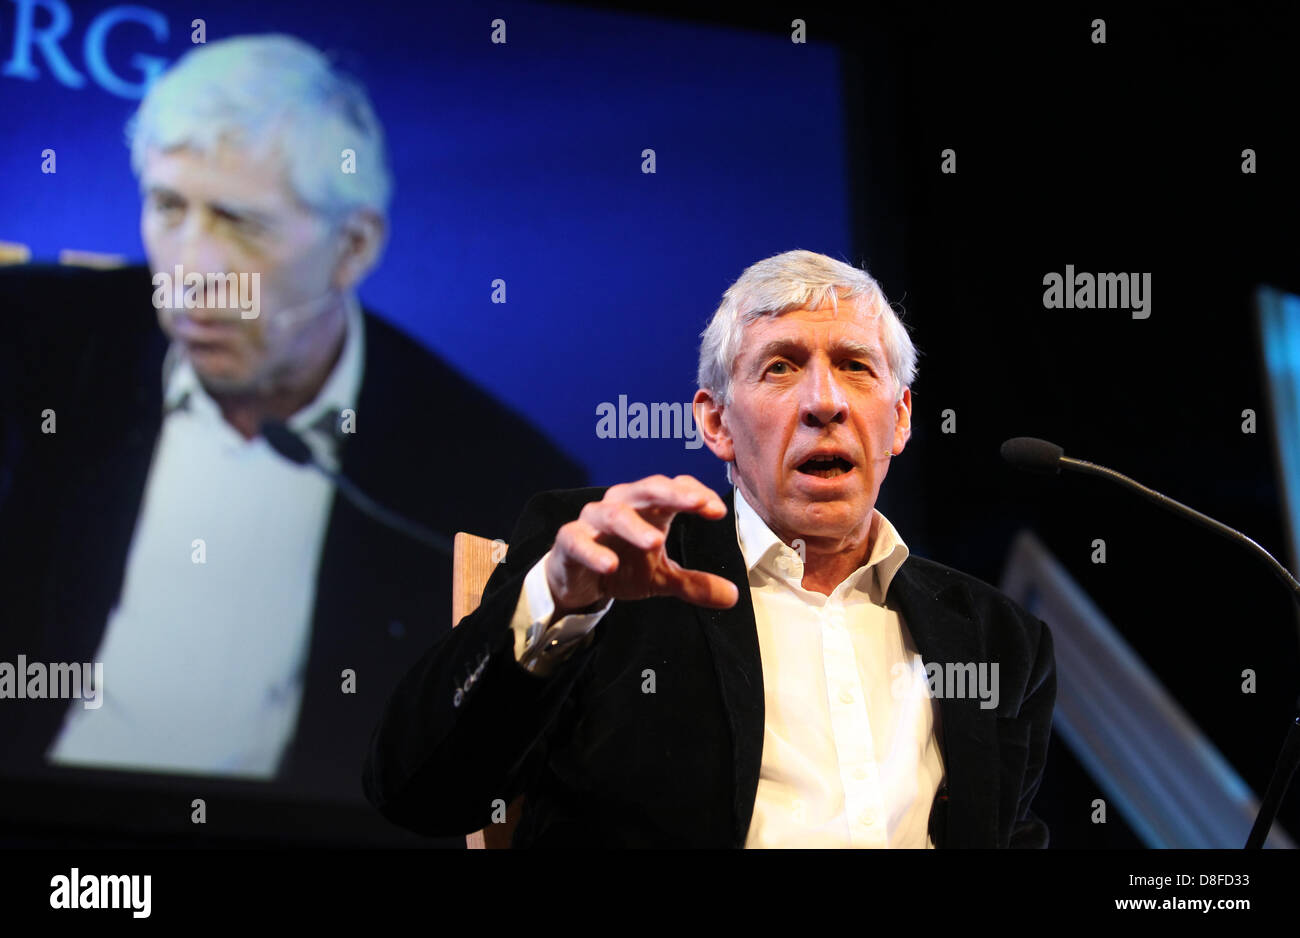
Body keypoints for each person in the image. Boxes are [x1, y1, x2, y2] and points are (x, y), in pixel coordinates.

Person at [0, 34, 582, 803]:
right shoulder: (31, 348)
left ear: (354, 246)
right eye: (169, 207)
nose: (194, 270)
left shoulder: (486, 474)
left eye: (242, 223)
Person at [362, 249, 1057, 847]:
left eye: (855, 366)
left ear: (899, 419)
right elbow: (418, 791)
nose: (824, 401)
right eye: (781, 367)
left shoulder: (997, 638)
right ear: (716, 422)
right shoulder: (616, 570)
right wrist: (557, 605)